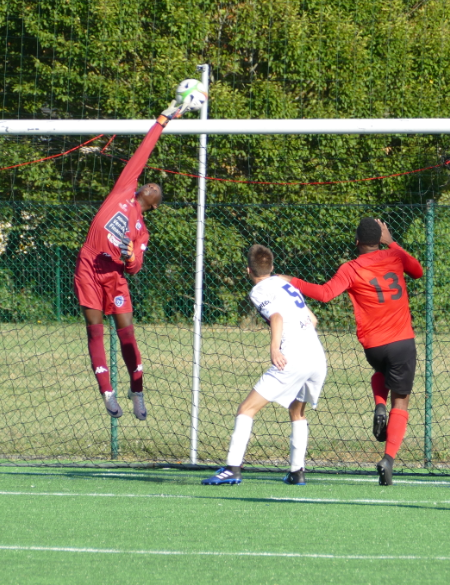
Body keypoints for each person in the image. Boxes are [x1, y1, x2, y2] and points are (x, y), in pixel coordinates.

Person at [75, 96, 190, 420]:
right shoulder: (125, 190)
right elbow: (143, 154)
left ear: (153, 204)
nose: (153, 184)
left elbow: (136, 266)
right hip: (89, 266)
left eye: (158, 189)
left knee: (127, 333)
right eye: (150, 183)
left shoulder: (143, 232)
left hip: (115, 276)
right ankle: (107, 392)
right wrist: (163, 120)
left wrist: (128, 258)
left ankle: (136, 389)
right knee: (94, 328)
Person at [285, 218, 423, 486]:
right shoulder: (394, 255)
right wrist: (391, 240)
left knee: (380, 372)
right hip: (403, 340)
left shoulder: (350, 268)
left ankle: (379, 404)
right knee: (402, 401)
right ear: (379, 238)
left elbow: (324, 294)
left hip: (374, 346)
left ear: (357, 242)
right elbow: (417, 271)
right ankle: (389, 459)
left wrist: (292, 280)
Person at [202, 245, 327, 486]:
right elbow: (313, 319)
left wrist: (275, 349)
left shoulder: (259, 290)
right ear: (271, 267)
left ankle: (232, 468)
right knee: (297, 411)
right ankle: (296, 472)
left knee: (246, 408)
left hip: (294, 357)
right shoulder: (286, 284)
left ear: (248, 270)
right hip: (317, 357)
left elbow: (277, 317)